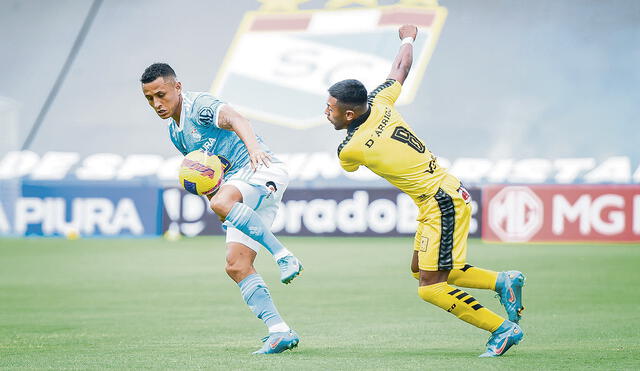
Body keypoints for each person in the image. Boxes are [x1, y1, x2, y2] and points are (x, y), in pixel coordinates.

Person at [324, 25, 525, 357]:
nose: (326, 112)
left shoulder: (350, 149)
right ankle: (502, 281)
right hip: (444, 193)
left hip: (440, 202)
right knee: (422, 267)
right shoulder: (381, 100)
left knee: (430, 288)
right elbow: (400, 69)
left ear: (348, 114)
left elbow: (354, 162)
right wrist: (408, 38)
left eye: (330, 108)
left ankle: (502, 330)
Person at [141, 63, 301, 354]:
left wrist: (253, 149)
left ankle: (283, 255)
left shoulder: (199, 105)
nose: (156, 104)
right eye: (150, 99)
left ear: (177, 87)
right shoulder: (176, 133)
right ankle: (280, 331)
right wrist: (219, 207)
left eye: (161, 95)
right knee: (236, 265)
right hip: (240, 188)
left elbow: (237, 119)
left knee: (222, 203)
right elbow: (205, 176)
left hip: (260, 169)